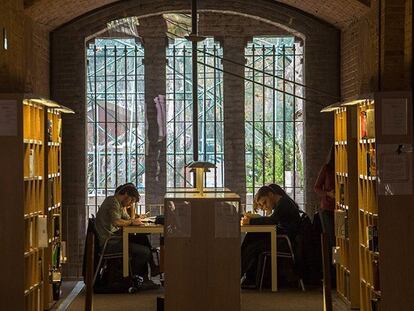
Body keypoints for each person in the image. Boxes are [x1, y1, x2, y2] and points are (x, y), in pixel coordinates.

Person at [95, 183, 159, 289]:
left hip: (114, 238)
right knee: (145, 252)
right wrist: (132, 222)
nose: (130, 204)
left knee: (141, 238)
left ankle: (148, 273)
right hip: (110, 242)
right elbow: (117, 222)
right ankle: (135, 276)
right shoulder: (113, 202)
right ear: (125, 194)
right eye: (131, 200)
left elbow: (129, 218)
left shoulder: (119, 204)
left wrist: (132, 214)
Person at [241, 184, 301, 287]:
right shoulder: (282, 202)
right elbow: (273, 221)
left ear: (270, 195)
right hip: (281, 238)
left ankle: (241, 275)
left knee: (252, 247)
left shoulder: (283, 204)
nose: (265, 207)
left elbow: (272, 221)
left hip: (285, 242)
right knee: (251, 237)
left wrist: (251, 221)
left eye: (265, 202)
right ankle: (243, 274)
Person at [314, 145, 335, 283]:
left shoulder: (346, 166)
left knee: (338, 241)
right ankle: (332, 276)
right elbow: (316, 187)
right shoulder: (327, 169)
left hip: (341, 209)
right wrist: (328, 194)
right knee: (332, 242)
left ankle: (337, 273)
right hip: (327, 209)